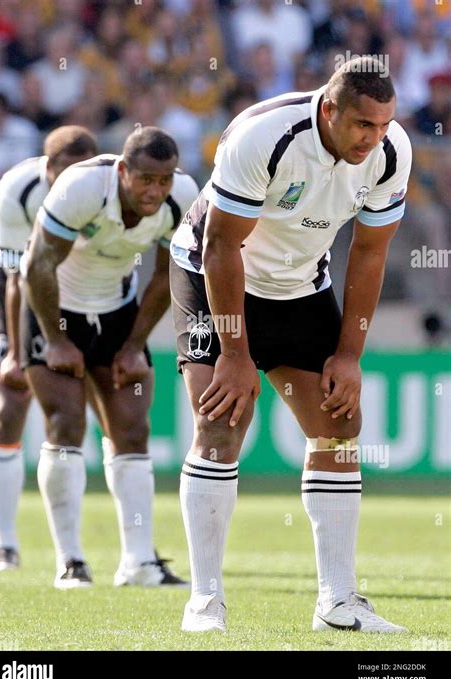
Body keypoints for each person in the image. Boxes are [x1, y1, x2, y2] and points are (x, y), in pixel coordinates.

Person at [170, 57, 412, 632]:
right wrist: (234, 353)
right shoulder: (265, 134)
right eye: (361, 125)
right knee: (224, 421)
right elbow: (220, 248)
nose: (372, 139)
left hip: (300, 285)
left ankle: (338, 602)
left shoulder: (391, 153)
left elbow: (370, 253)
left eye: (382, 126)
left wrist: (349, 355)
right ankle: (205, 601)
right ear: (329, 110)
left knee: (339, 427)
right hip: (215, 275)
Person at [23, 127, 199, 589]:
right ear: (123, 171)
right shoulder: (82, 187)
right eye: (145, 180)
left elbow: (168, 277)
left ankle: (139, 563)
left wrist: (134, 344)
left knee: (133, 429)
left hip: (117, 310)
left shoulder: (183, 196)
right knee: (65, 425)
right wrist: (57, 340)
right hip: (52, 307)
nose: (155, 191)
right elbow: (38, 265)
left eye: (163, 181)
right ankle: (71, 561)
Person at [0, 126, 98, 573]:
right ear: (48, 169)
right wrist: (15, 352)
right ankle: (4, 545)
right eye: (66, 173)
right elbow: (16, 277)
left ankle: (72, 552)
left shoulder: (104, 189)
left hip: (77, 290)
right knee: (8, 405)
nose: (74, 183)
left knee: (69, 417)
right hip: (16, 288)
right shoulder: (16, 189)